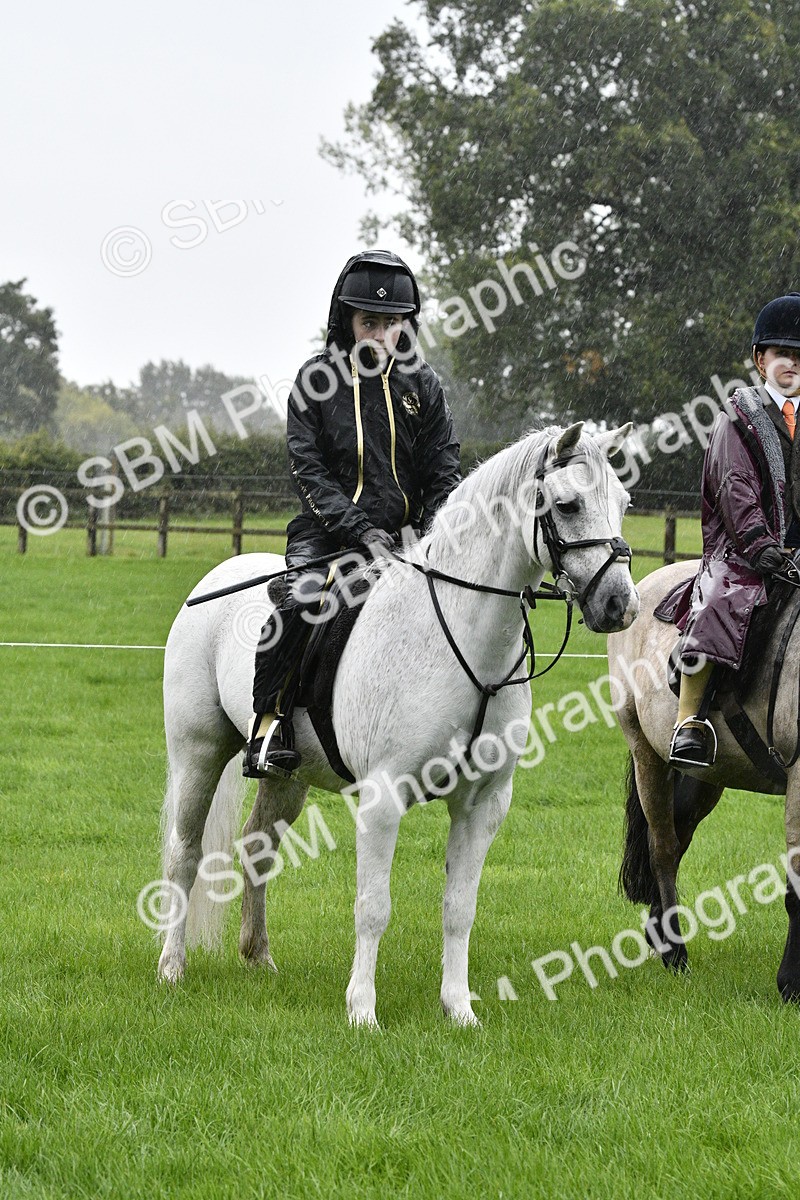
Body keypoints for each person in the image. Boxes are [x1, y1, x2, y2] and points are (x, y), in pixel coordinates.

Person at [243, 249, 461, 778]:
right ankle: (268, 726)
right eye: (369, 323)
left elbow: (444, 471)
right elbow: (308, 471)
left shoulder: (424, 386)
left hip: (409, 540)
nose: (380, 336)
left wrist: (432, 534)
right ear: (346, 320)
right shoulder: (315, 381)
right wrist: (361, 531)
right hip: (325, 536)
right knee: (301, 600)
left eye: (391, 324)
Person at [668, 291, 800, 767]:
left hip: (798, 553)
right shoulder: (736, 419)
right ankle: (690, 721)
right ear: (760, 360)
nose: (793, 363)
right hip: (745, 552)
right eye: (783, 352)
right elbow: (734, 486)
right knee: (720, 603)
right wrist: (761, 544)